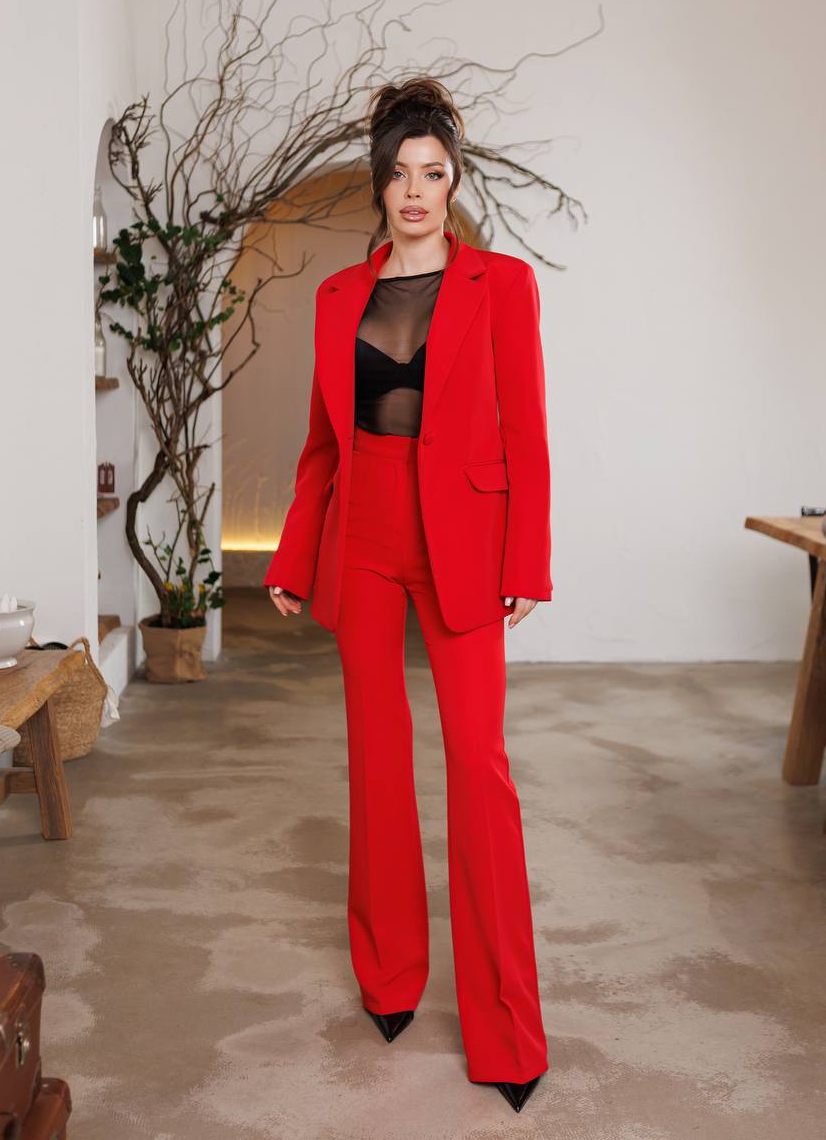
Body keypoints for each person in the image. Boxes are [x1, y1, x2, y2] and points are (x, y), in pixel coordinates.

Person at [263, 77, 552, 1113]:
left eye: (433, 173)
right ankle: (388, 977)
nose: (415, 190)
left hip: (466, 537)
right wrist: (297, 555)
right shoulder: (341, 296)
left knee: (478, 766)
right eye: (398, 173)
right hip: (369, 534)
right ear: (379, 186)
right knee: (376, 757)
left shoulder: (502, 285)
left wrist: (527, 561)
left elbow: (525, 433)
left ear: (454, 181)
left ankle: (509, 1029)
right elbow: (320, 444)